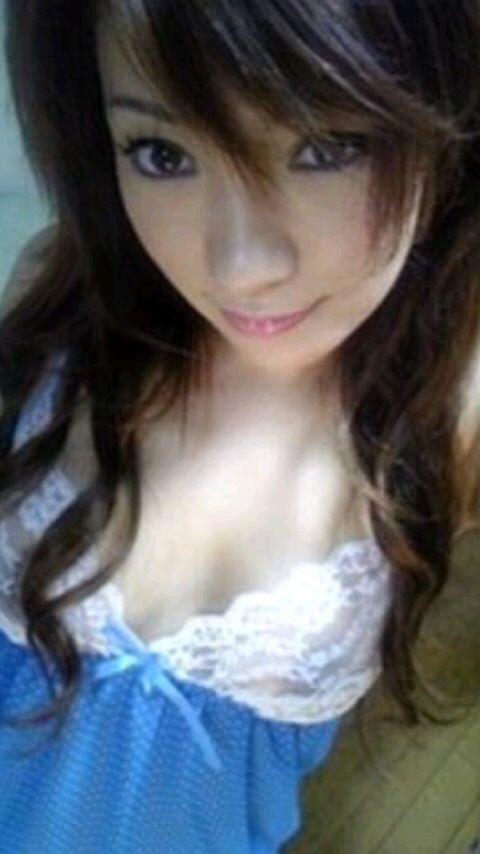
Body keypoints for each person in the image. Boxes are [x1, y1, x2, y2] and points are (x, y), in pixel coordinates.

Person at [0, 1, 479, 851]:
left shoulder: (452, 409)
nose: (240, 266)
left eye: (326, 147)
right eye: (163, 154)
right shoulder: (67, 304)